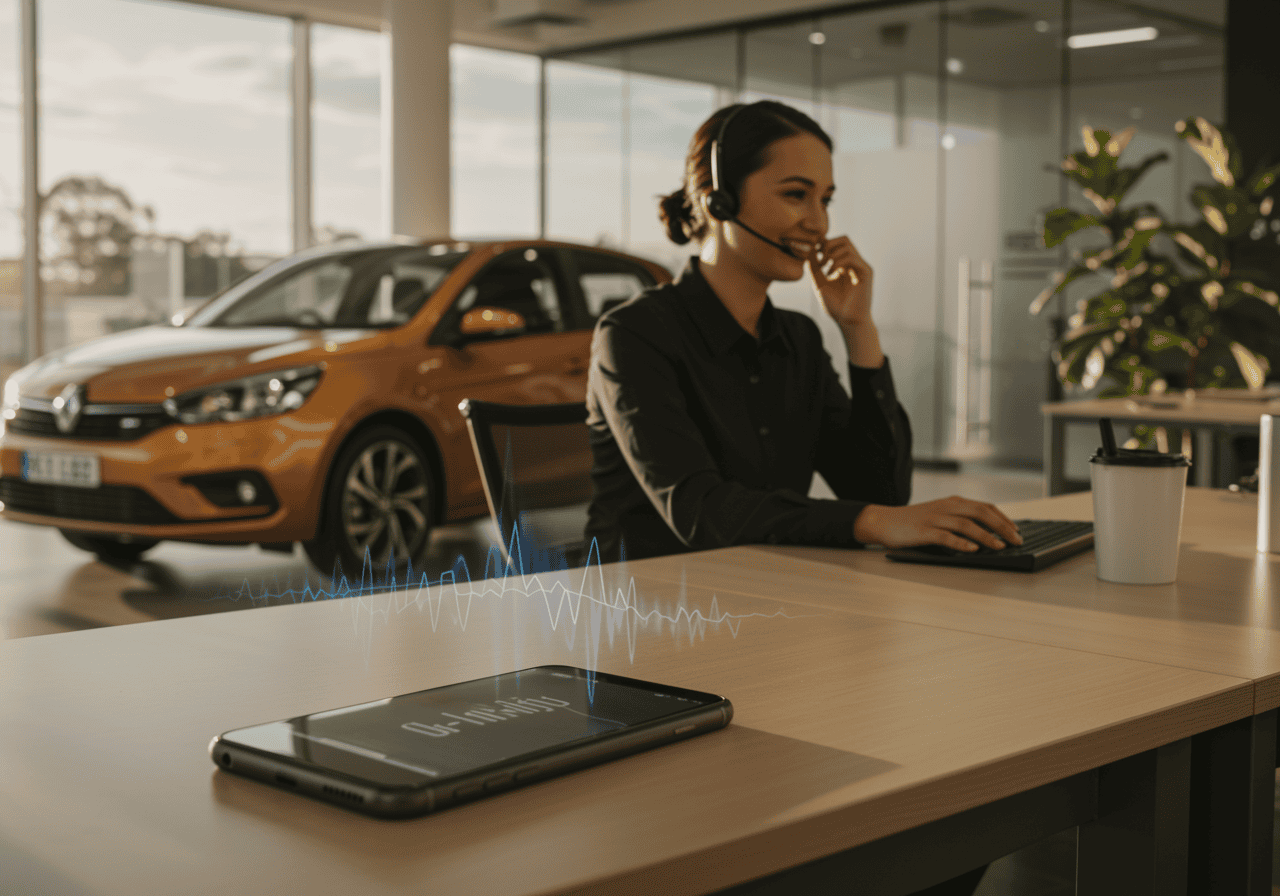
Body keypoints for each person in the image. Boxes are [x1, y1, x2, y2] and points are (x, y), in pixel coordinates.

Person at [584, 99, 1021, 570]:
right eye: (796, 195)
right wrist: (871, 522)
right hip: (653, 608)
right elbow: (700, 510)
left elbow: (881, 493)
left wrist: (859, 330)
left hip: (764, 588)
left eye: (825, 200)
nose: (818, 223)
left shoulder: (798, 339)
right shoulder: (634, 335)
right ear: (720, 199)